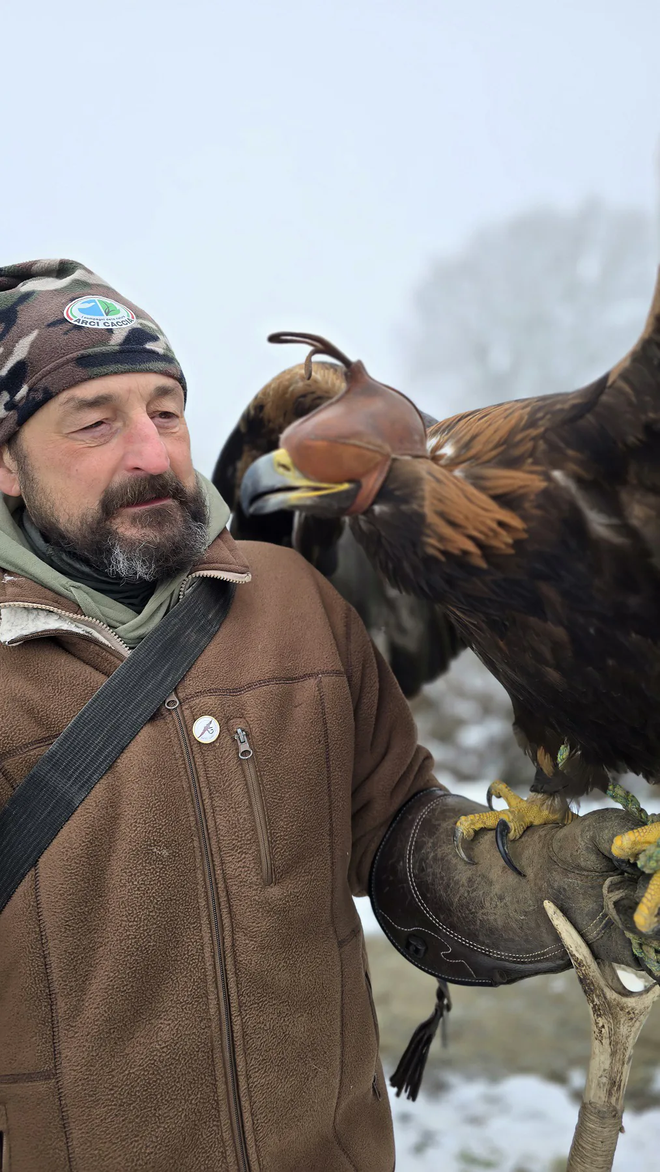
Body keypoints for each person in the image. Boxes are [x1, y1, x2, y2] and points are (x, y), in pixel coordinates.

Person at [0, 259, 646, 1172]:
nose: (151, 452)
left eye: (166, 412)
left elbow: (390, 837)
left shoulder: (294, 604)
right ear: (6, 463)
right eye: (95, 423)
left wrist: (531, 889)